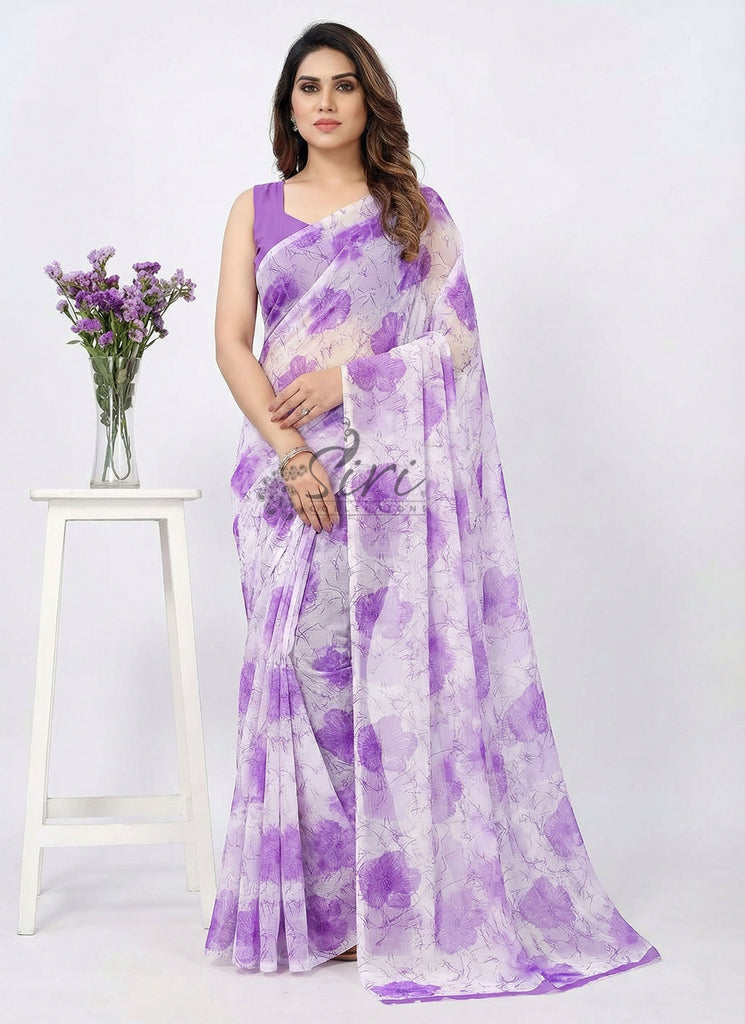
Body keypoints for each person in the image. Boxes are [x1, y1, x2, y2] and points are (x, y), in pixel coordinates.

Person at [204, 20, 661, 1005]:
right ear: (288, 106)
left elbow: (454, 346)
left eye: (343, 85)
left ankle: (390, 901)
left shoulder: (414, 212)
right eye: (308, 87)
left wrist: (347, 380)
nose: (325, 102)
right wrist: (292, 454)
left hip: (385, 477)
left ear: (368, 99)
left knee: (382, 677)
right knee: (298, 672)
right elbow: (232, 341)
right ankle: (316, 910)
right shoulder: (254, 209)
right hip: (284, 478)